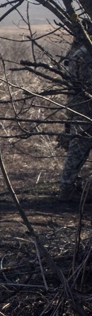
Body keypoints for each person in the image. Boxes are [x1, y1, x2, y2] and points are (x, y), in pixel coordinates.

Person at [59, 36, 92, 201]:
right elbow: (85, 84)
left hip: (79, 108)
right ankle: (67, 188)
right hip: (84, 109)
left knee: (77, 149)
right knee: (78, 149)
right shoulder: (85, 54)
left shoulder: (78, 52)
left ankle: (68, 186)